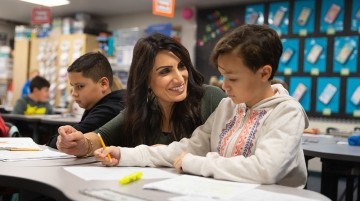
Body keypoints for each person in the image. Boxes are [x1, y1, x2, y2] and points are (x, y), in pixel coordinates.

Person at [95, 24, 309, 188]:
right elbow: (186, 147)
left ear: (264, 73)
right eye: (223, 76)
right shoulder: (227, 107)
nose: (224, 86)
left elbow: (265, 170)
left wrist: (194, 163)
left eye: (232, 79)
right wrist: (124, 155)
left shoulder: (287, 112)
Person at [56, 33, 226, 157]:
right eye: (165, 71)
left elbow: (229, 155)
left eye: (181, 66)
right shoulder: (143, 106)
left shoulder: (210, 97)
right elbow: (101, 137)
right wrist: (78, 143)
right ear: (146, 80)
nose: (180, 77)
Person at [46, 52, 126, 148]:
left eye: (80, 86)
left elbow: (62, 142)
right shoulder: (98, 105)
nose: (74, 93)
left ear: (103, 84)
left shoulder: (109, 110)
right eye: (73, 87)